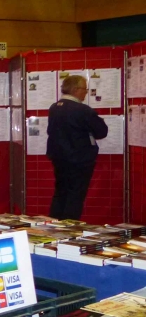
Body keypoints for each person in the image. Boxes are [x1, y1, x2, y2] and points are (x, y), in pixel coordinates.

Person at [47, 75, 108, 220]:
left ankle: (54, 225)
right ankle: (69, 228)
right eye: (84, 89)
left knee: (60, 193)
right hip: (79, 159)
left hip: (59, 158)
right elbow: (101, 131)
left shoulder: (54, 108)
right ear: (75, 89)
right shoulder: (83, 110)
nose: (86, 92)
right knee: (75, 196)